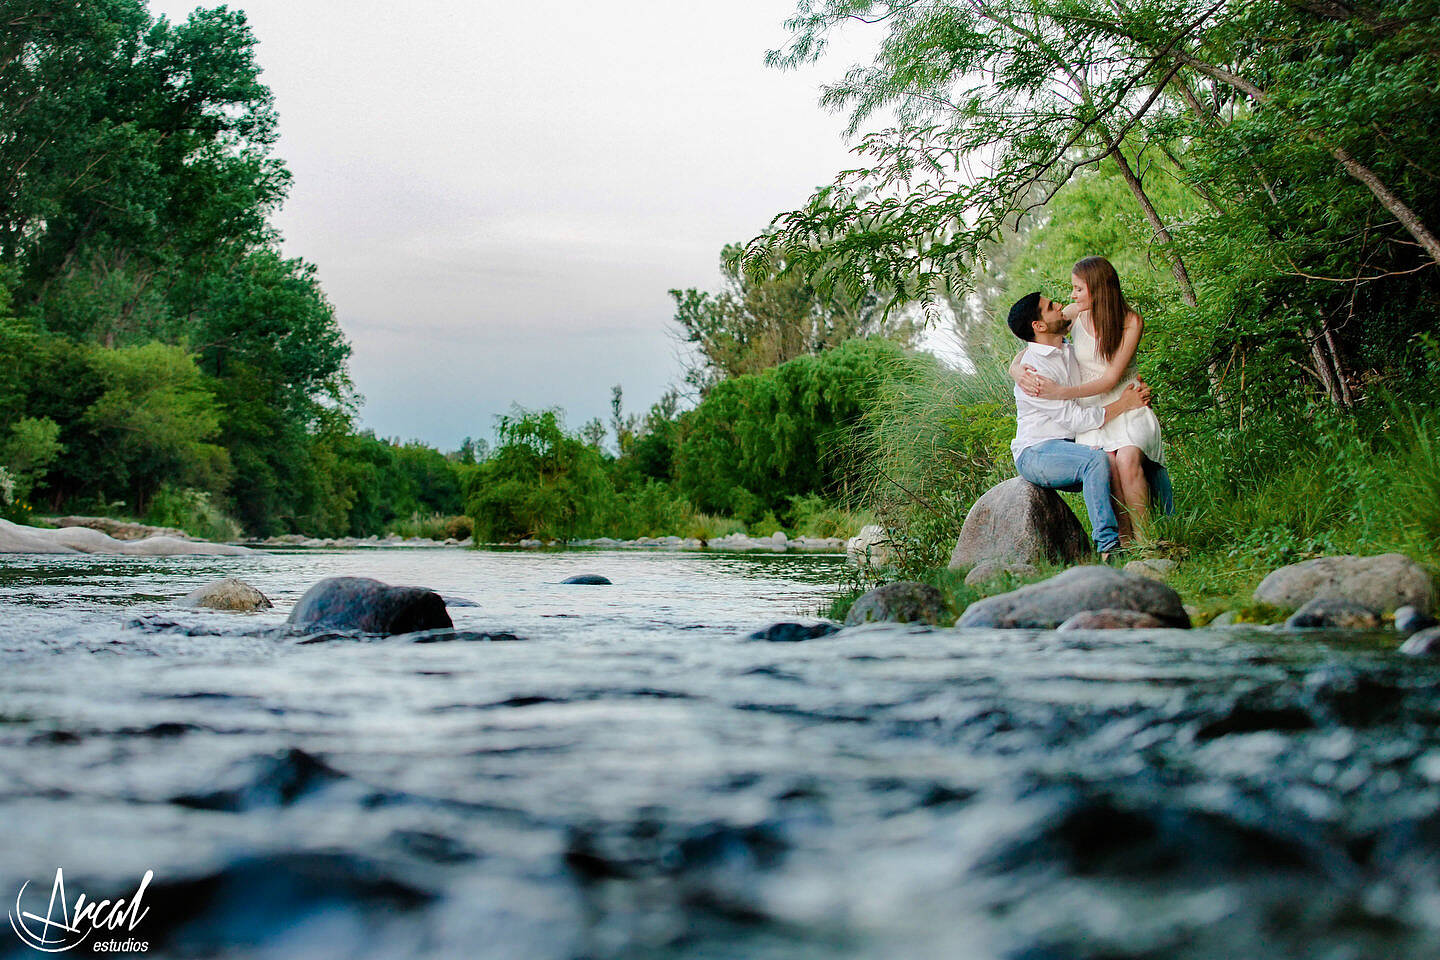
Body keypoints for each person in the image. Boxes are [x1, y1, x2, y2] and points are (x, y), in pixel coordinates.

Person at [1009, 256, 1170, 543]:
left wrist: (1061, 392)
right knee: (1107, 462)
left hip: (1127, 399)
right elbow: (1036, 339)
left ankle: (1148, 539)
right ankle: (1125, 542)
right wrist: (1015, 369)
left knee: (1127, 458)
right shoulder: (1075, 313)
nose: (1071, 296)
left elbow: (1110, 379)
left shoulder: (1130, 322)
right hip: (1092, 407)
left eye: (1078, 288)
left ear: (1098, 289)